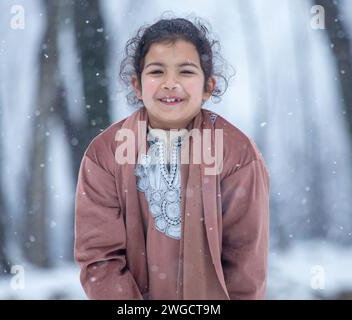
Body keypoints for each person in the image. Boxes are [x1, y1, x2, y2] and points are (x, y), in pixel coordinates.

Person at [74, 16, 270, 300]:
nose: (170, 83)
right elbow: (99, 259)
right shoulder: (105, 154)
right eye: (156, 71)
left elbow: (246, 260)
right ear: (137, 85)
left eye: (186, 72)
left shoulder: (236, 154)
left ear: (208, 86)